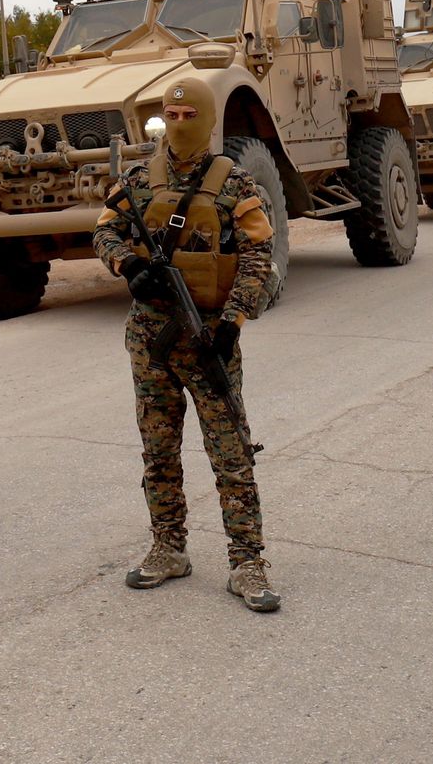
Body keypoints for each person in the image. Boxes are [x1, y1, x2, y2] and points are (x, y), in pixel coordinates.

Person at [91, 78, 280, 612]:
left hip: (209, 336)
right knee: (158, 450)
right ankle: (168, 547)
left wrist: (234, 320)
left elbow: (256, 256)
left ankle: (247, 562)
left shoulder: (234, 182)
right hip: (151, 338)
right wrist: (127, 265)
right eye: (169, 113)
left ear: (207, 117)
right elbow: (104, 231)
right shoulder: (136, 178)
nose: (177, 122)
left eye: (188, 112)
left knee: (231, 452)